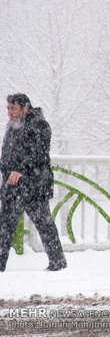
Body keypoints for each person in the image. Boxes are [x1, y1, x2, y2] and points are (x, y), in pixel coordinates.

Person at [0, 94, 66, 271]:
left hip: (35, 186)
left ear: (25, 108)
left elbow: (39, 153)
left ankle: (57, 262)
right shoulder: (12, 126)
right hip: (13, 186)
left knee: (44, 226)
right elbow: (6, 154)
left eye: (13, 108)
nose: (9, 112)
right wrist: (7, 173)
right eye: (8, 108)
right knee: (4, 226)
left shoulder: (39, 125)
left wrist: (20, 170)